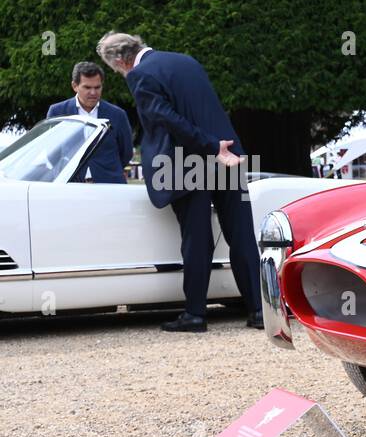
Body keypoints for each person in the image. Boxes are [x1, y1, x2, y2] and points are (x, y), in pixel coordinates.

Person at [97, 31, 261, 333]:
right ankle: (259, 311)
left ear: (120, 60)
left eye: (114, 69)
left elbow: (167, 119)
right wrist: (220, 147)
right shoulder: (185, 60)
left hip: (188, 161)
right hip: (231, 153)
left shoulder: (140, 75)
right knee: (242, 235)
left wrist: (212, 147)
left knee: (196, 239)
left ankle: (196, 315)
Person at [46, 61, 134, 182]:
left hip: (110, 185)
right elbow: (51, 151)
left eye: (97, 87)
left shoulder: (118, 115)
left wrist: (108, 170)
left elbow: (126, 153)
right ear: (75, 86)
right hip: (70, 184)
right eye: (87, 87)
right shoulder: (58, 112)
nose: (93, 92)